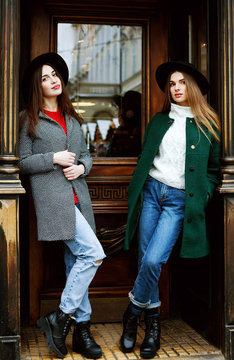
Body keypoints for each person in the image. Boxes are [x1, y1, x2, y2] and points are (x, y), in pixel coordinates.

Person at [120, 61, 221, 358]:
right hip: (151, 193)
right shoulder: (158, 120)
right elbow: (145, 157)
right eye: (172, 84)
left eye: (182, 83)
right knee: (143, 261)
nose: (176, 88)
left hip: (178, 201)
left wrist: (201, 195)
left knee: (153, 261)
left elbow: (213, 171)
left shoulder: (209, 124)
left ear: (194, 87)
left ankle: (131, 314)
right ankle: (153, 327)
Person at [19, 52, 106, 359]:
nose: (53, 80)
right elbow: (21, 162)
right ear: (37, 85)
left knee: (76, 262)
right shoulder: (28, 118)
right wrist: (52, 158)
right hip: (54, 201)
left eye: (54, 74)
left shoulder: (71, 117)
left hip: (78, 197)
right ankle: (60, 316)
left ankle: (81, 332)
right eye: (45, 77)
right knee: (93, 254)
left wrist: (82, 168)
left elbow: (86, 156)